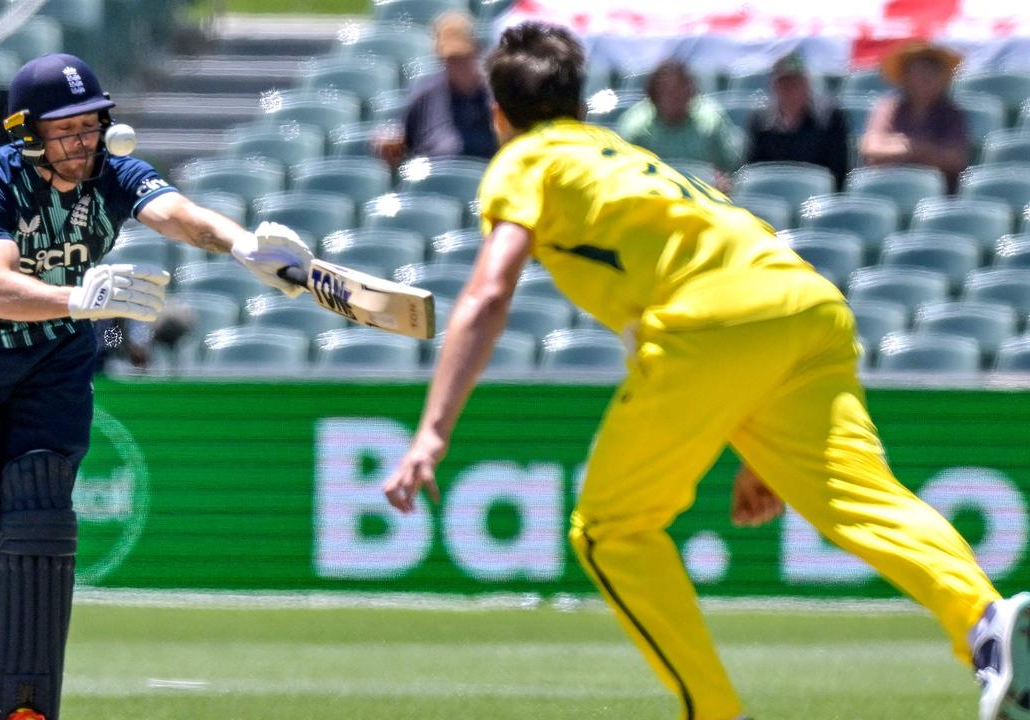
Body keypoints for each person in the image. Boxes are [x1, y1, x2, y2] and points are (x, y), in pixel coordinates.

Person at [382, 22, 1029, 720]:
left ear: (499, 115)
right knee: (862, 497)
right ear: (584, 105)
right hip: (805, 304)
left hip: (712, 324)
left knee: (610, 530)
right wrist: (760, 438)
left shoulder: (525, 160)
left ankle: (713, 713)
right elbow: (720, 287)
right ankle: (985, 623)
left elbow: (487, 292)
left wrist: (432, 431)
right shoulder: (625, 156)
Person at [0, 53, 310, 720]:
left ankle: (26, 705)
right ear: (29, 133)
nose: (83, 142)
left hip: (56, 356)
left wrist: (244, 246)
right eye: (65, 130)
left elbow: (178, 215)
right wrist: (78, 298)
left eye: (91, 125)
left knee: (39, 512)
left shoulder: (117, 175)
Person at [373, 10, 498, 167]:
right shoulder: (426, 92)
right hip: (435, 182)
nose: (458, 66)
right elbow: (401, 138)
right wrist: (389, 143)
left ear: (477, 51)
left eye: (463, 58)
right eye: (451, 60)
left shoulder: (495, 93)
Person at [859, 41, 969, 193]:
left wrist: (904, 146)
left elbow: (954, 158)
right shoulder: (889, 107)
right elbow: (871, 147)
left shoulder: (952, 113)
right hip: (889, 187)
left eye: (931, 74)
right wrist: (915, 149)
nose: (924, 80)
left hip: (938, 193)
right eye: (918, 73)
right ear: (905, 78)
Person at [616, 59, 743, 178]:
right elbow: (624, 172)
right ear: (654, 95)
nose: (675, 97)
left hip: (703, 195)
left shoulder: (712, 121)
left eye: (681, 90)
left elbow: (731, 168)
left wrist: (722, 180)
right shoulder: (635, 126)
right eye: (667, 92)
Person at [744, 51, 849, 188]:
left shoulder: (829, 119)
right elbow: (753, 170)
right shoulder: (760, 121)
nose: (790, 89)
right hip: (773, 192)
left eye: (795, 82)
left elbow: (838, 173)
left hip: (815, 200)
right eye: (784, 83)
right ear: (774, 86)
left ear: (806, 83)